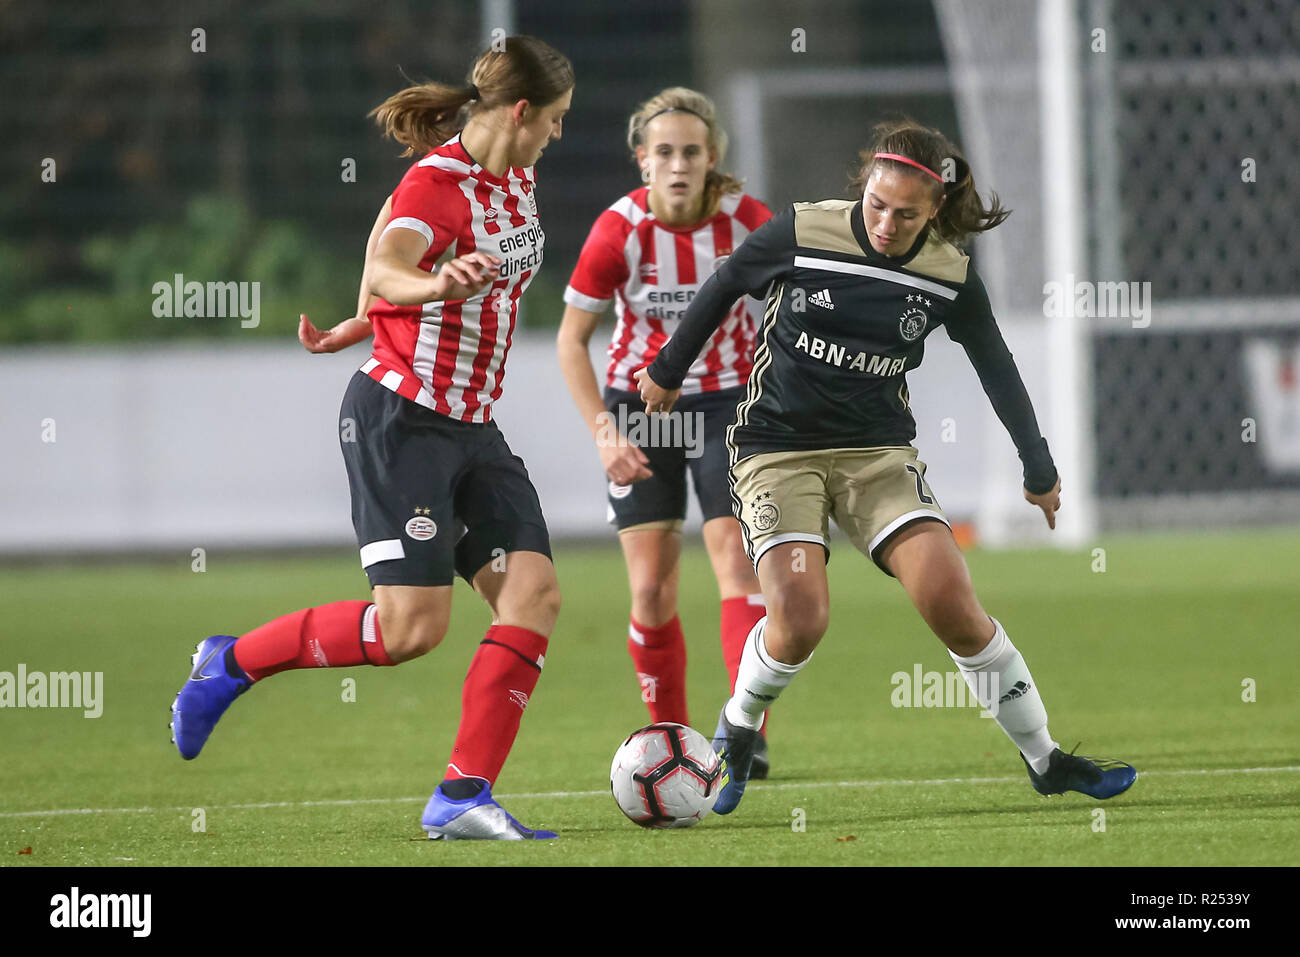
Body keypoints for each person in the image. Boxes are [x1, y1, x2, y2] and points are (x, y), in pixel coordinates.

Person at [636, 118, 1138, 814]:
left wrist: (1038, 463)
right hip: (776, 450)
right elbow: (724, 285)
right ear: (863, 183)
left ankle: (1045, 758)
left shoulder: (949, 272)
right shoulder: (803, 231)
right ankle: (740, 726)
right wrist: (667, 370)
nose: (886, 222)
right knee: (801, 617)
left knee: (952, 603)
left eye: (906, 213)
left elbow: (996, 364)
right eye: (876, 203)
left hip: (877, 456)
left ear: (935, 209)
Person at [169, 36, 575, 841]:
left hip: (473, 425)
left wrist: (361, 317)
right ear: (522, 111)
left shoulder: (517, 178)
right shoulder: (441, 184)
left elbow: (377, 243)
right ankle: (231, 660)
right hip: (403, 423)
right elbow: (395, 259)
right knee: (409, 631)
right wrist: (421, 287)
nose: (559, 134)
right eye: (556, 119)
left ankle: (462, 795)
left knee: (534, 595)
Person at [556, 88, 774, 772]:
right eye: (664, 153)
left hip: (729, 407)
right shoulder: (618, 230)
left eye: (691, 152)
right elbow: (572, 341)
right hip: (640, 410)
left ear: (712, 159)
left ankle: (744, 735)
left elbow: (799, 303)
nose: (678, 165)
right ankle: (673, 741)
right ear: (642, 163)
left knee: (737, 564)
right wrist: (603, 431)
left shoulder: (750, 225)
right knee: (650, 589)